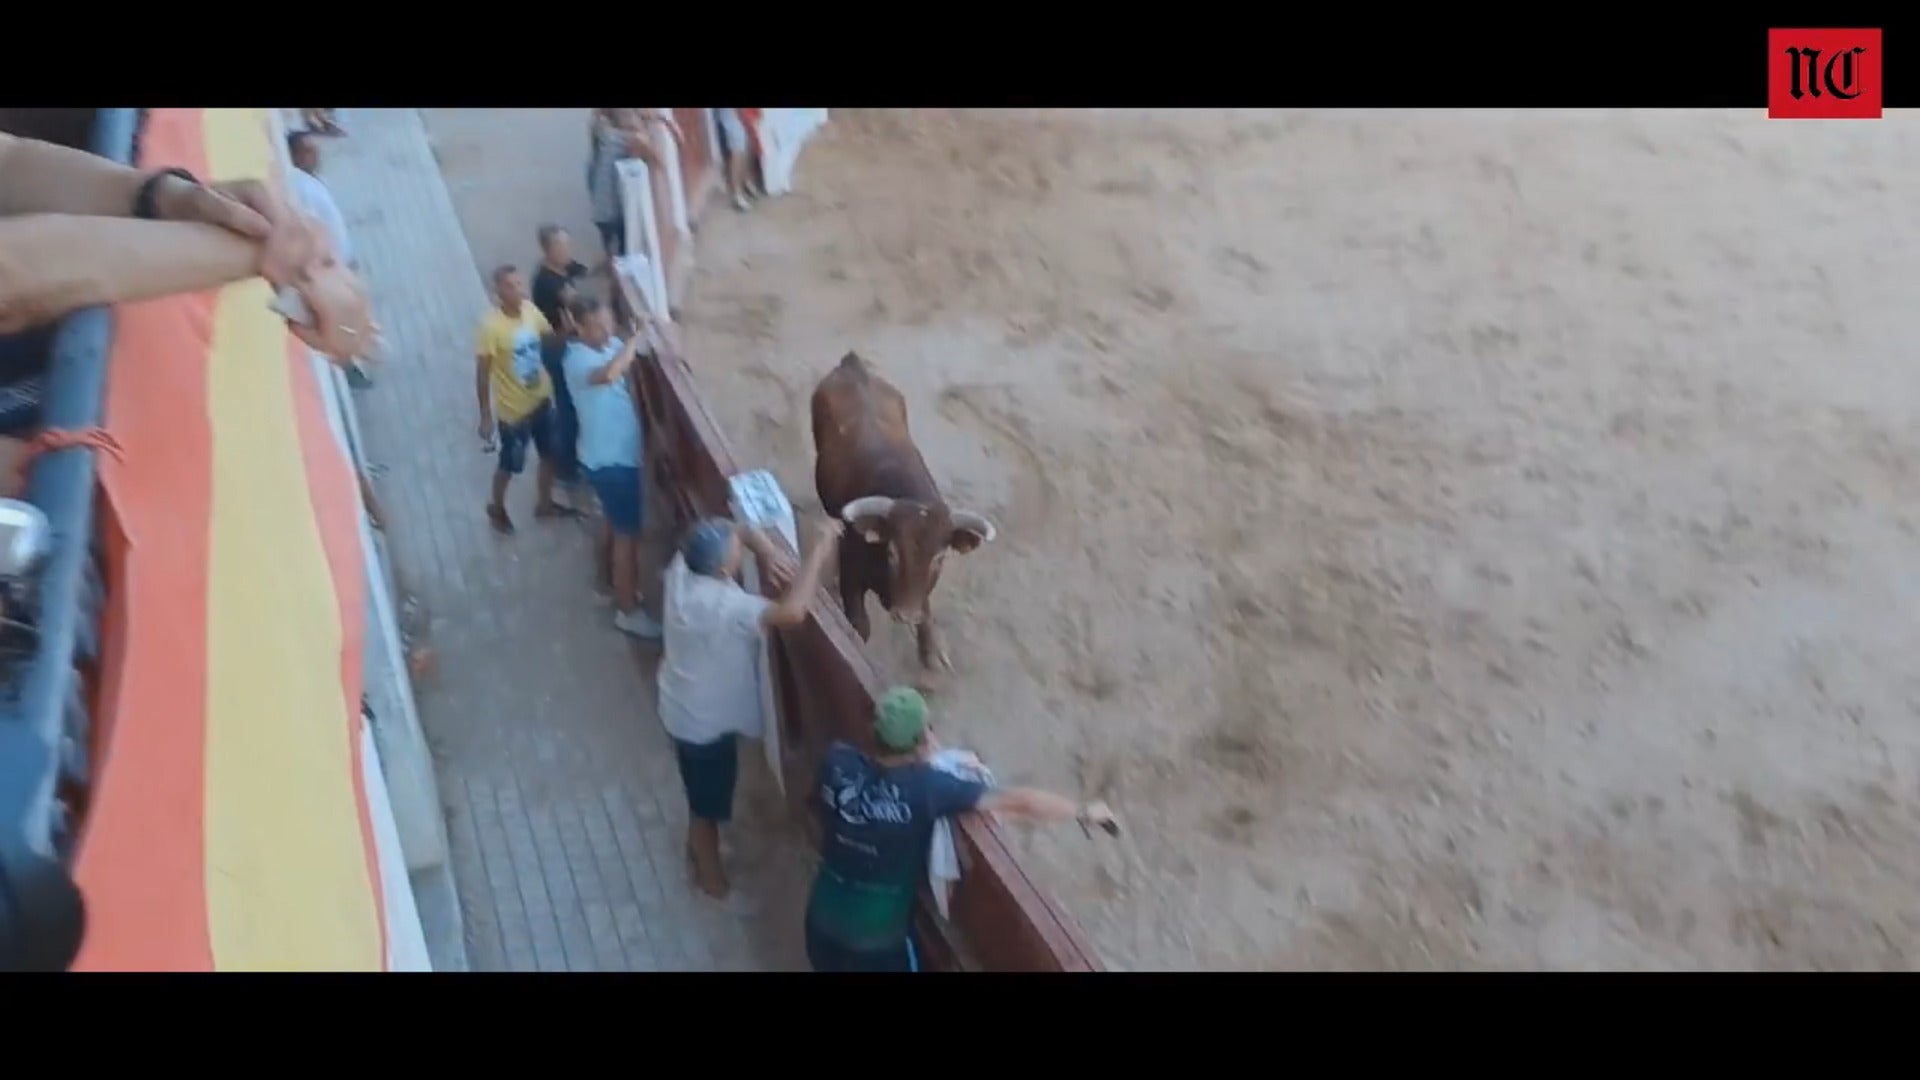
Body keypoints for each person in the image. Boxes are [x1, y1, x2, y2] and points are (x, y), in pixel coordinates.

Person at [804, 686, 1118, 972]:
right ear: (923, 741)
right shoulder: (928, 789)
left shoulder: (838, 760)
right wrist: (1081, 811)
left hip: (819, 928)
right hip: (875, 947)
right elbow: (1018, 802)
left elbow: (822, 801)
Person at [658, 515, 841, 898]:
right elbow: (792, 613)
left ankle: (698, 849)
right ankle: (708, 873)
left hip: (681, 704)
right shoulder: (725, 604)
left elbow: (732, 526)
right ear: (725, 568)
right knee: (706, 802)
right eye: (736, 551)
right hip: (703, 724)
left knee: (700, 789)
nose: (740, 547)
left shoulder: (682, 570)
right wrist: (819, 550)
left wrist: (764, 548)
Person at [560, 294, 661, 639]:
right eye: (599, 326)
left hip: (605, 456)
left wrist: (635, 334)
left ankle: (605, 585)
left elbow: (628, 355)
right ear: (580, 328)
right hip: (612, 462)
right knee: (626, 538)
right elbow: (611, 373)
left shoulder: (608, 344)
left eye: (608, 322)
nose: (607, 330)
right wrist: (635, 336)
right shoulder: (576, 360)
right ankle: (628, 610)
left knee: (610, 524)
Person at [474, 264, 579, 534]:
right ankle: (496, 507)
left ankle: (544, 504)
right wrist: (486, 415)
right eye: (509, 286)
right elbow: (483, 374)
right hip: (514, 413)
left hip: (541, 400)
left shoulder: (532, 312)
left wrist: (565, 333)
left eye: (519, 284)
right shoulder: (490, 328)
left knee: (549, 455)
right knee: (510, 465)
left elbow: (549, 344)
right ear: (498, 291)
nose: (517, 290)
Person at [530, 224, 589, 492]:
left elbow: (581, 270)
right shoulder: (548, 282)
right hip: (557, 347)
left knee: (569, 404)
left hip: (557, 345)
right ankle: (566, 468)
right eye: (560, 247)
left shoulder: (556, 270)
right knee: (568, 408)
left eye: (567, 245)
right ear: (547, 250)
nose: (567, 251)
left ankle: (565, 461)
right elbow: (575, 304)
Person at [715, 109, 757, 213]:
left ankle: (745, 183)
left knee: (745, 146)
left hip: (738, 113)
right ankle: (737, 195)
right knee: (738, 150)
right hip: (733, 113)